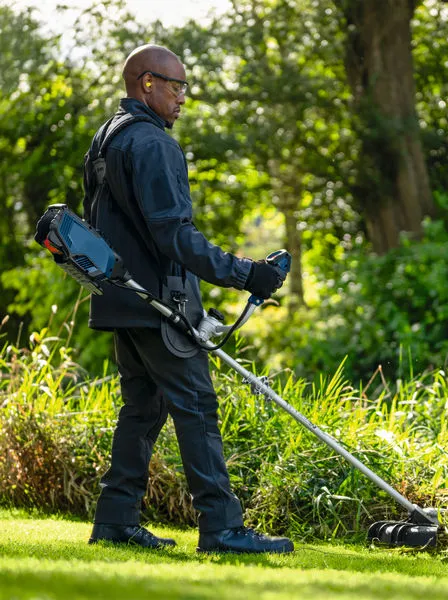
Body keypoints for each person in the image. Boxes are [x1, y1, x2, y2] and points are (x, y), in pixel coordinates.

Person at [82, 44, 293, 554]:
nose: (182, 98)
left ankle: (115, 519)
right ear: (146, 83)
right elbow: (174, 236)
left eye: (185, 88)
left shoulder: (107, 138)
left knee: (142, 407)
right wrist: (247, 274)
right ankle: (221, 527)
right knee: (197, 405)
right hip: (158, 305)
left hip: (121, 300)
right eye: (175, 87)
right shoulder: (153, 144)